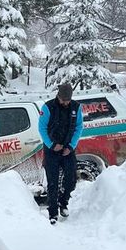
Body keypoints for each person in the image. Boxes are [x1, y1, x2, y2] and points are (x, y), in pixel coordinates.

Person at [38, 83, 83, 224]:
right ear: (58, 96)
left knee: (71, 179)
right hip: (52, 150)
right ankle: (53, 213)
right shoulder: (48, 107)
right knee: (53, 182)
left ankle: (63, 203)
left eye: (68, 100)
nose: (66, 102)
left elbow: (79, 127)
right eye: (63, 100)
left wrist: (71, 146)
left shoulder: (76, 107)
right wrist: (51, 144)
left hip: (68, 149)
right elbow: (42, 128)